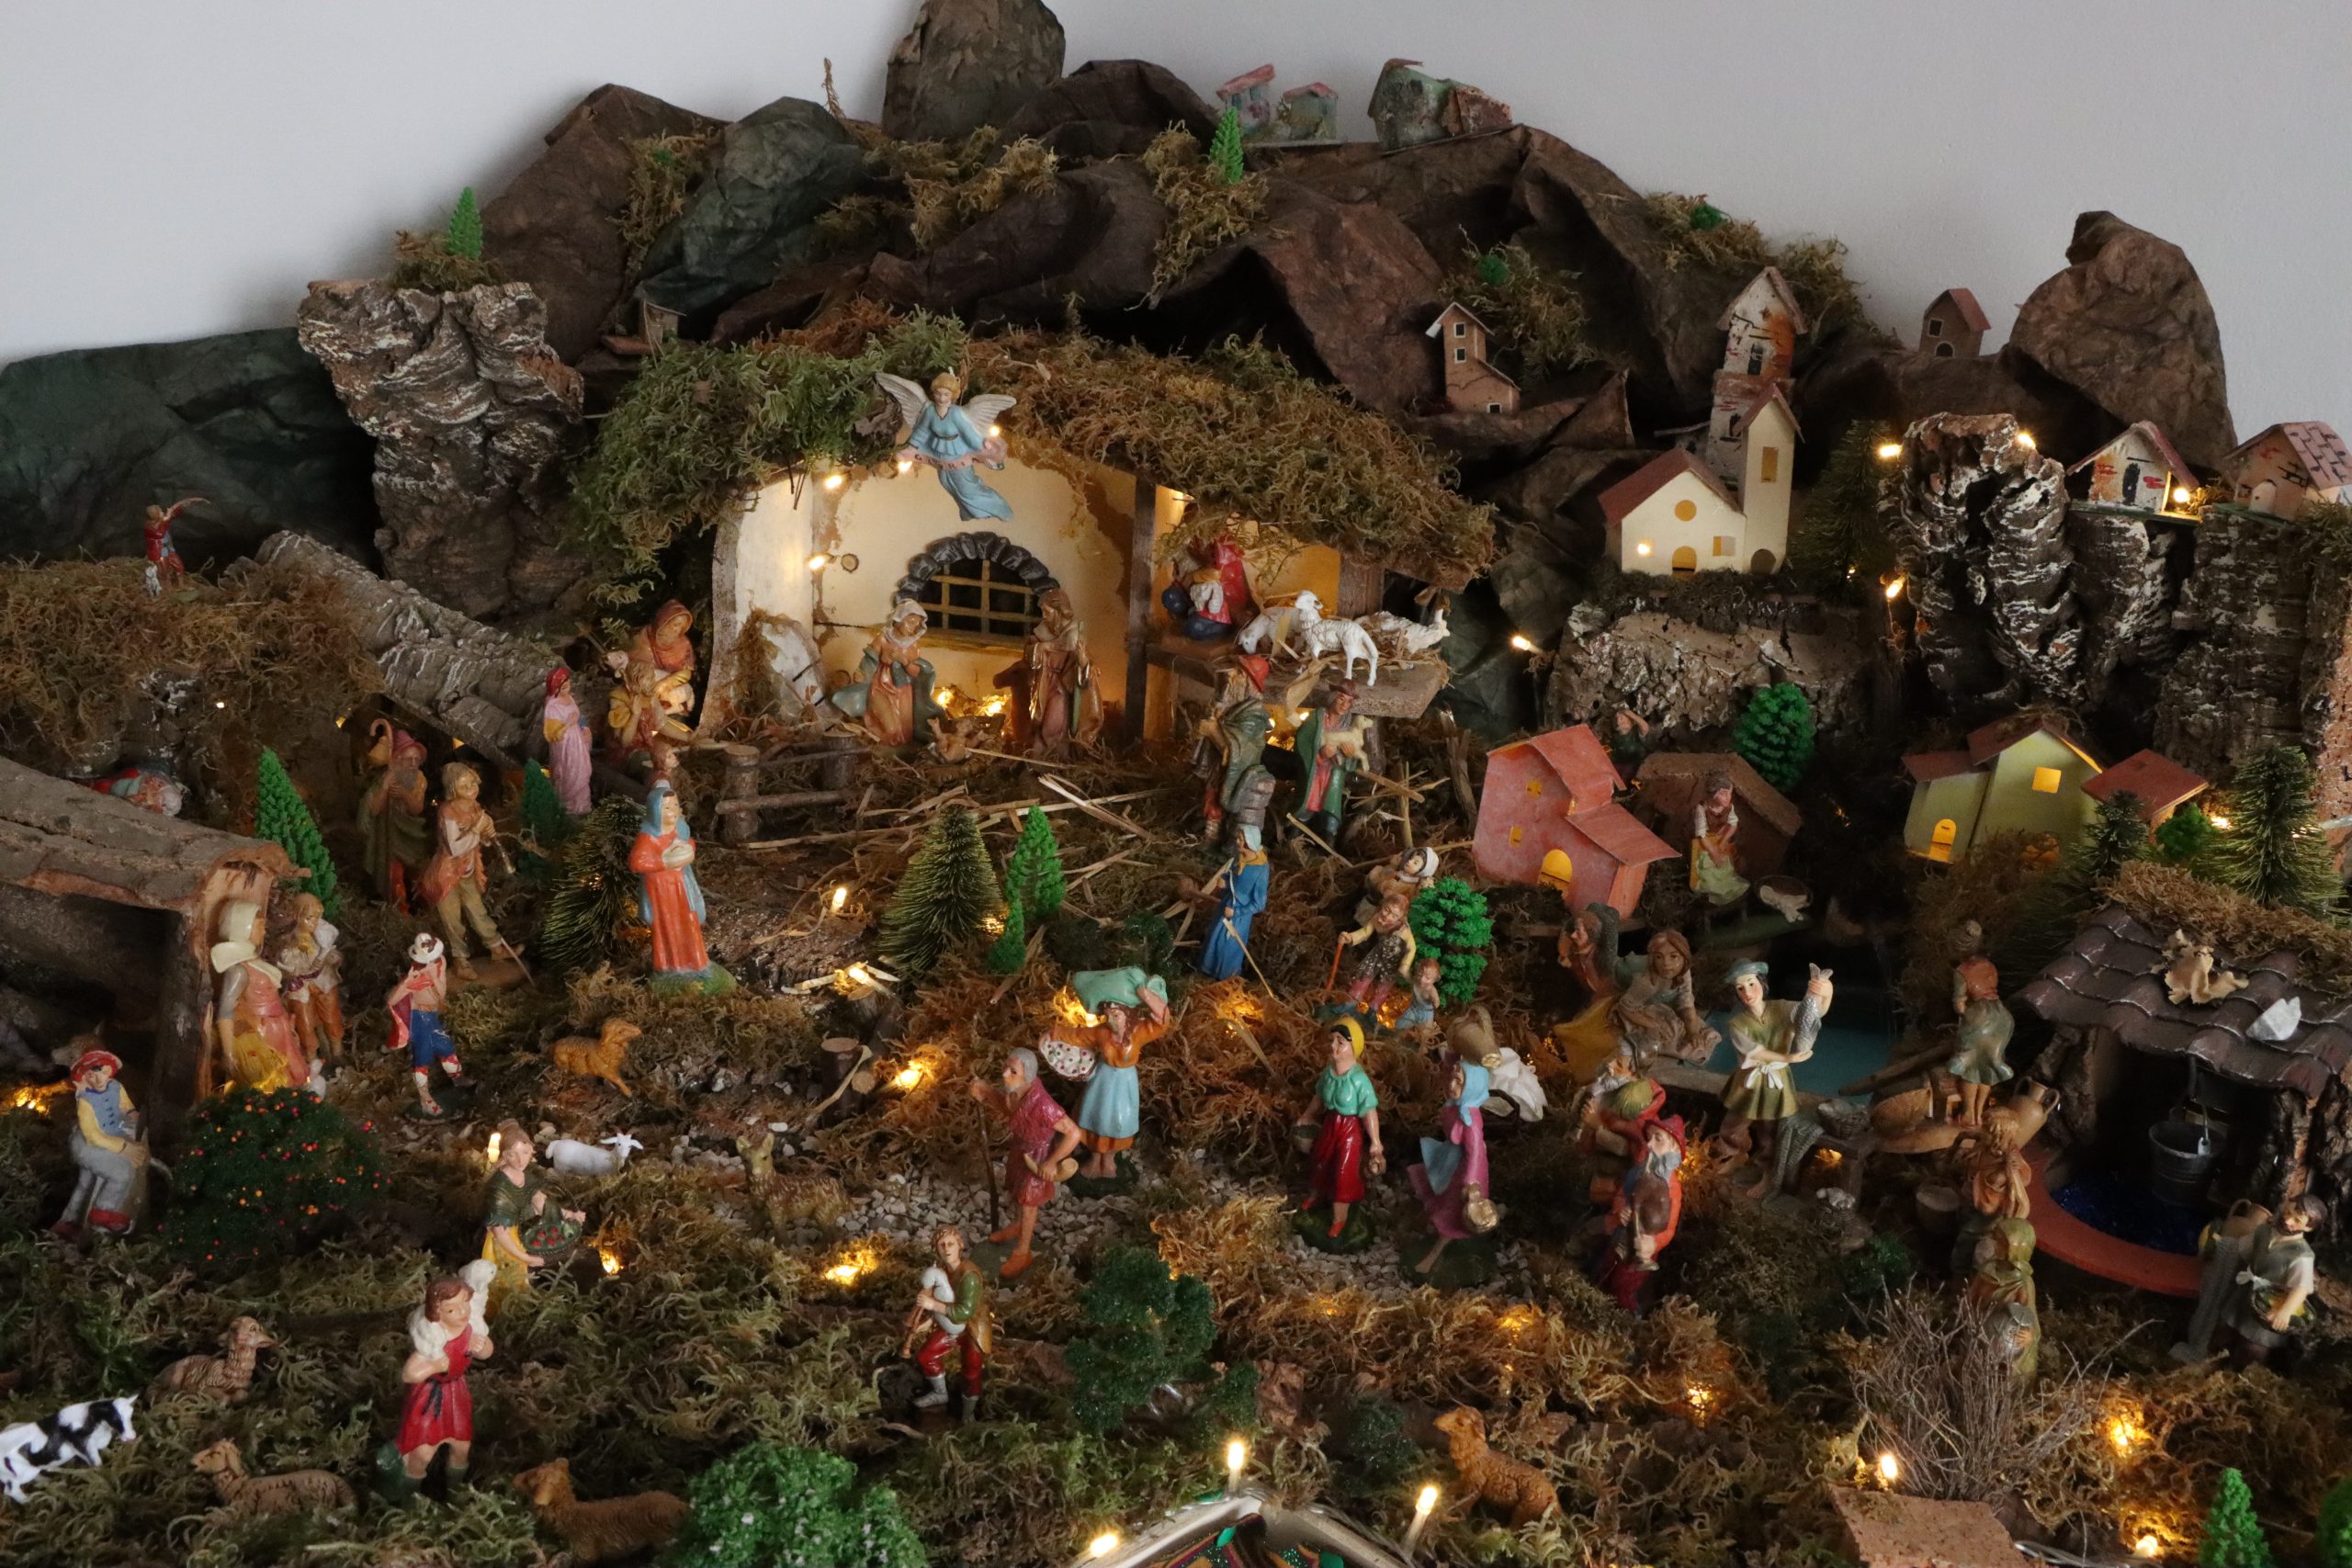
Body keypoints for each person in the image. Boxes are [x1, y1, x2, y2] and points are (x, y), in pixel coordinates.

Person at [967, 1048, 1083, 1280]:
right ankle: (1018, 1225)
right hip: (1019, 1149)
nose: (1005, 1074)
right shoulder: (1015, 1093)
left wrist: (1051, 1162)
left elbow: (1074, 1133)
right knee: (1015, 1190)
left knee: (1029, 1201)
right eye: (1005, 1068)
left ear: (1027, 1075)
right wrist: (987, 1092)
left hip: (1037, 1156)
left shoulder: (1043, 1105)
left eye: (1013, 1071)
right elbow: (1010, 1112)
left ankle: (1023, 1250)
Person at [1052, 969, 1170, 1182]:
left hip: (1124, 1085)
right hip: (1102, 1082)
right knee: (1095, 1116)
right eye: (1108, 1015)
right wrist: (1055, 1033)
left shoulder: (1137, 1033)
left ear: (1127, 1014)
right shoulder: (1103, 1032)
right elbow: (1079, 1035)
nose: (1112, 1019)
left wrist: (1146, 995)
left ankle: (1109, 1160)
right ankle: (1094, 1159)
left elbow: (1161, 1021)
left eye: (1116, 1014)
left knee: (1119, 1120)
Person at [388, 1276, 492, 1503]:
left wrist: (482, 1346)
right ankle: (410, 1499)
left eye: (465, 1303)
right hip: (429, 1397)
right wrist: (435, 1366)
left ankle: (455, 1493)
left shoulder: (470, 1329)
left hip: (456, 1393)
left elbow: (487, 1352)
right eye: (452, 1310)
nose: (463, 1312)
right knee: (423, 1452)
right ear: (437, 1313)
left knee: (461, 1446)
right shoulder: (433, 1341)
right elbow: (409, 1374)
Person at [1721, 961, 1833, 1166]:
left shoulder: (1781, 1008)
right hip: (1748, 1080)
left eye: (1751, 984)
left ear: (1762, 984)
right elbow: (1754, 1051)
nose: (1747, 992)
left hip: (1776, 1081)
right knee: (1733, 1124)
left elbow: (1811, 1014)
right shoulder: (1737, 1023)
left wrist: (1825, 993)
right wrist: (1787, 1058)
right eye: (1740, 988)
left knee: (1769, 1129)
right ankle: (1734, 1155)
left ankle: (1766, 1167)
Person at [423, 762, 517, 977]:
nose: (471, 789)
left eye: (473, 782)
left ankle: (496, 948)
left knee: (477, 911)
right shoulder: (448, 812)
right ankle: (461, 960)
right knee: (452, 919)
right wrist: (477, 829)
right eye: (464, 786)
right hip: (447, 876)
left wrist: (486, 834)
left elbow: (479, 841)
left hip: (468, 871)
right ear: (453, 789)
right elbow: (455, 848)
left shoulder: (475, 807)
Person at [1294, 1019, 1385, 1241]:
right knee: (1321, 1160)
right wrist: (1307, 1115)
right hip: (1330, 1125)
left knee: (1344, 1170)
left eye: (1340, 1042)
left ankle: (1339, 1218)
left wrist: (1375, 1141)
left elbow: (1369, 1111)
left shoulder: (1359, 1080)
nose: (1333, 1046)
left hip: (1349, 1130)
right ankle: (1316, 1195)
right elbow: (1318, 1098)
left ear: (1353, 1047)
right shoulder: (1328, 1074)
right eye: (1332, 1040)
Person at [211, 899, 312, 1093]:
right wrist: (229, 1053)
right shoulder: (238, 970)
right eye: (258, 926)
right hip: (262, 1031)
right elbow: (225, 1012)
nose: (263, 931)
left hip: (278, 1027)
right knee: (273, 1081)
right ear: (243, 928)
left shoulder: (253, 962)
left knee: (296, 1072)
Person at [628, 780, 719, 987]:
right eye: (667, 807)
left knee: (689, 921)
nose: (673, 811)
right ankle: (669, 966)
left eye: (675, 805)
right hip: (661, 892)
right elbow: (637, 862)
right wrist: (664, 862)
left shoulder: (680, 829)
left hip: (681, 886)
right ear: (655, 811)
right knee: (667, 927)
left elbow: (690, 844)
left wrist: (688, 850)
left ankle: (696, 963)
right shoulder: (648, 836)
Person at [1408, 1053, 1491, 1275]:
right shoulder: (1456, 1104)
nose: (1452, 1086)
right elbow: (1446, 1079)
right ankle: (1432, 1231)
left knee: (1453, 1212)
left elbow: (1475, 1153)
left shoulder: (1470, 1120)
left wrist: (1470, 1182)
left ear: (1472, 1087)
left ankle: (1435, 1255)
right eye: (1454, 1080)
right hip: (1451, 1161)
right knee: (1435, 1191)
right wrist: (1450, 1061)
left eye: (1459, 1082)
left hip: (1466, 1174)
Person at [1593, 1115, 1686, 1314]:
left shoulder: (1672, 1189)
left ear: (1674, 1148)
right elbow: (1621, 1194)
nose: (1650, 1145)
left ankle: (1626, 1318)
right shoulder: (1638, 1172)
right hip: (1620, 1236)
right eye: (1649, 1138)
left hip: (1640, 1247)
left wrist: (1654, 1243)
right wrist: (1620, 1209)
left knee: (1624, 1287)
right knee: (1605, 1270)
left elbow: (1669, 1228)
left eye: (1658, 1139)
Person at [51, 1048, 148, 1239]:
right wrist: (123, 1147)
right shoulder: (86, 1101)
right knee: (122, 1173)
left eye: (103, 1073)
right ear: (85, 1077)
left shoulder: (116, 1087)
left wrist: (131, 1114)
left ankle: (71, 1221)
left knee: (85, 1183)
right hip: (88, 1146)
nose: (98, 1079)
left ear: (110, 1071)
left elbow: (125, 1106)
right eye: (91, 1076)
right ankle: (103, 1211)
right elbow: (92, 1136)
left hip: (110, 1136)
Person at [894, 371, 1014, 523]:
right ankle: (969, 511)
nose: (941, 398)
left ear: (953, 395)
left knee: (967, 487)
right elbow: (922, 431)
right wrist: (911, 448)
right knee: (948, 484)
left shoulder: (956, 413)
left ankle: (999, 509)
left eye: (946, 394)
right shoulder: (930, 411)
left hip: (957, 454)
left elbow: (969, 433)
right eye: (938, 394)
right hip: (938, 453)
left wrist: (982, 447)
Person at [482, 1122, 585, 1296]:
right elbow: (500, 1232)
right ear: (504, 1156)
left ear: (531, 1150)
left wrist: (569, 1214)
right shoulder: (499, 1188)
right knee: (508, 1283)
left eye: (525, 1152)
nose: (520, 1160)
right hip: (504, 1243)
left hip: (522, 1233)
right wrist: (526, 1258)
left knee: (524, 1279)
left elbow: (541, 1201)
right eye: (512, 1154)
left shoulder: (525, 1176)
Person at [2223, 1195, 2326, 1368]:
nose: (2288, 1220)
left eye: (2297, 1220)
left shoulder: (2301, 1255)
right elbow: (2244, 1250)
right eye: (2289, 1211)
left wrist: (2285, 1312)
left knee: (2252, 1348)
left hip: (2270, 1305)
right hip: (2245, 1293)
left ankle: (2236, 1375)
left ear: (2308, 1228)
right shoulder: (2264, 1232)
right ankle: (2212, 1364)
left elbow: (2301, 1288)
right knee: (2225, 1331)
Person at [905, 1224, 989, 1421]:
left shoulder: (969, 1276)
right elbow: (942, 1301)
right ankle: (940, 1393)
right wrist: (928, 1323)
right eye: (941, 1245)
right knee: (926, 1356)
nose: (946, 1249)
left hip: (972, 1328)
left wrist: (932, 1304)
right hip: (950, 1324)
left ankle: (969, 1412)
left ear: (960, 1245)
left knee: (971, 1370)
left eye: (951, 1243)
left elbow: (964, 1312)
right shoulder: (943, 1272)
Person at [834, 600, 942, 747]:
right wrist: (862, 674)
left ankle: (891, 751)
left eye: (916, 625)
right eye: (910, 622)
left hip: (902, 691)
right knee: (890, 728)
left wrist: (903, 660)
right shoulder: (882, 639)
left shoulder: (912, 646)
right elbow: (870, 661)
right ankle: (877, 744)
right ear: (899, 619)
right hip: (880, 687)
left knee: (904, 733)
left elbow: (915, 672)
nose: (913, 628)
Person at [386, 933, 469, 1117]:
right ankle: (425, 1098)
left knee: (446, 1047)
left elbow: (441, 994)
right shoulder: (415, 974)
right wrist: (406, 983)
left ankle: (458, 1079)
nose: (432, 962)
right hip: (419, 1018)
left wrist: (434, 977)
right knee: (422, 1056)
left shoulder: (440, 963)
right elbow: (391, 1001)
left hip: (432, 1015)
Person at [1946, 920, 2014, 1127]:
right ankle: (1979, 1112)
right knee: (1988, 1068)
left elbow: (1959, 1004)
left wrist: (1964, 1014)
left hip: (1979, 1017)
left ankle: (1968, 1114)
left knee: (1971, 1069)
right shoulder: (1990, 966)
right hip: (2001, 1016)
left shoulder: (1961, 971)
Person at [356, 722, 430, 910]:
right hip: (388, 834)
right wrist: (385, 787)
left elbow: (417, 809)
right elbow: (374, 809)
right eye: (408, 759)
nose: (413, 764)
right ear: (397, 759)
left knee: (418, 871)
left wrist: (404, 795)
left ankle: (421, 903)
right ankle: (399, 908)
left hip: (410, 831)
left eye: (416, 759)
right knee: (393, 875)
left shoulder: (419, 779)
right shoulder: (387, 777)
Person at [1198, 656, 1272, 842]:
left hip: (1237, 776)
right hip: (1220, 772)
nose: (1231, 676)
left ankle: (1224, 842)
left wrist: (1212, 730)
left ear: (1249, 684)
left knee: (1226, 809)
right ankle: (1211, 838)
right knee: (1212, 803)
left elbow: (1236, 750)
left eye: (1239, 673)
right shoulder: (1233, 707)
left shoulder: (1253, 716)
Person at [1289, 681, 1372, 844]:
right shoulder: (1317, 718)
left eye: (1349, 701)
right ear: (1333, 697)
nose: (1345, 705)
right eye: (1341, 699)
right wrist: (1320, 754)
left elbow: (1351, 761)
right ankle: (1296, 834)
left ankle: (1329, 839)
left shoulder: (1349, 723)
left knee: (1331, 808)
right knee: (1308, 801)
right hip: (1315, 772)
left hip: (1333, 773)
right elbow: (1302, 741)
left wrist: (1348, 756)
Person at [1024, 589, 1101, 759]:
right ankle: (1039, 757)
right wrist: (1040, 648)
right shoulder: (1043, 630)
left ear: (1059, 611)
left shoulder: (1074, 634)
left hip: (1062, 688)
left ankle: (1057, 758)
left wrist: (1083, 661)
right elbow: (1028, 653)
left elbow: (1086, 669)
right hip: (1043, 684)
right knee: (1039, 722)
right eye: (1042, 611)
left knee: (1052, 726)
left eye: (1047, 612)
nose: (1044, 616)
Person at [275, 892, 345, 1069]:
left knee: (331, 1017)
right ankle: (312, 1061)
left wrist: (332, 958)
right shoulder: (288, 941)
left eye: (317, 918)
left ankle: (337, 1054)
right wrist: (293, 969)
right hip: (301, 986)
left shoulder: (321, 935)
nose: (314, 923)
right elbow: (284, 964)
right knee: (304, 1023)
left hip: (323, 980)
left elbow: (333, 953)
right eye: (309, 918)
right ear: (297, 917)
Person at [1196, 826, 1271, 983]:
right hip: (1225, 907)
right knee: (1214, 940)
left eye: (1241, 839)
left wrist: (1236, 912)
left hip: (1239, 917)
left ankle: (1225, 978)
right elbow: (1231, 877)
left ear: (1249, 842)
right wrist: (1223, 881)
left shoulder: (1260, 869)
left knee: (1229, 947)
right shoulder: (1239, 859)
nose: (1237, 842)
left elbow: (1259, 903)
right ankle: (1207, 971)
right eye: (1238, 838)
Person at [1335, 893, 1418, 1016]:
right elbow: (1365, 932)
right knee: (1363, 975)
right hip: (1378, 953)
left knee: (1383, 986)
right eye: (1386, 910)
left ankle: (1372, 1012)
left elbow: (1412, 947)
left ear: (1401, 917)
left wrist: (1405, 966)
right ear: (1383, 905)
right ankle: (1350, 1003)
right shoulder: (1377, 918)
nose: (1387, 916)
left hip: (1393, 961)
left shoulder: (1403, 930)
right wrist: (1350, 937)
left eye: (1394, 916)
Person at [1690, 769, 1749, 913]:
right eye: (1723, 793)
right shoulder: (1701, 809)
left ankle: (1727, 891)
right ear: (1713, 793)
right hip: (1705, 845)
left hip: (1720, 841)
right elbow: (1701, 835)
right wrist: (1713, 852)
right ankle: (1713, 893)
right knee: (1709, 874)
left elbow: (1733, 825)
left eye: (1730, 793)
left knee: (1725, 870)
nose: (1728, 797)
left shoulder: (1729, 808)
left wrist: (1723, 841)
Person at [540, 666, 594, 816]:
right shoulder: (552, 705)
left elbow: (579, 717)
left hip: (578, 743)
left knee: (582, 772)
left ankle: (582, 805)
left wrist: (584, 729)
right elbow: (552, 733)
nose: (566, 686)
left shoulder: (570, 698)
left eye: (567, 682)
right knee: (569, 774)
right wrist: (569, 724)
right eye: (562, 685)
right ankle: (567, 805)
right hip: (565, 747)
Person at [1355, 845, 1441, 928]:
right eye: (1411, 859)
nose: (1409, 862)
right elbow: (1378, 884)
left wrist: (1392, 897)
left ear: (1421, 871)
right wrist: (1385, 884)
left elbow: (1406, 904)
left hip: (1388, 915)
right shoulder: (1397, 874)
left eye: (1415, 863)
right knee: (1362, 923)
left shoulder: (1412, 886)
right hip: (1376, 907)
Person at [1394, 955, 1444, 1037]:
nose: (1422, 979)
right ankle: (1398, 1038)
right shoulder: (1416, 981)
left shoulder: (1431, 990)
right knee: (1401, 1025)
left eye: (1427, 978)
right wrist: (1405, 972)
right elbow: (1408, 978)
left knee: (1425, 1033)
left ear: (1434, 979)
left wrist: (1436, 1002)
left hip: (1426, 1014)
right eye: (1420, 974)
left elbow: (1436, 1001)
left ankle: (1422, 1043)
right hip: (1413, 1009)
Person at [1606, 708, 1651, 783]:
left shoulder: (1635, 732)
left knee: (1626, 773)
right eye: (1615, 719)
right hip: (1622, 764)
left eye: (1621, 718)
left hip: (1637, 764)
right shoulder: (1615, 738)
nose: (1618, 721)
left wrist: (1632, 715)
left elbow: (1645, 728)